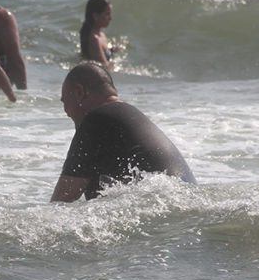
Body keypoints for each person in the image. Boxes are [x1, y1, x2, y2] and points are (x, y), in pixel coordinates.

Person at [51, 63, 196, 202]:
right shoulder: (129, 118)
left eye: (65, 102)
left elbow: (61, 202)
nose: (66, 112)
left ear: (79, 92)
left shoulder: (96, 120)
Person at [79, 0, 114, 71]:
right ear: (95, 16)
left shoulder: (101, 34)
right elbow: (105, 68)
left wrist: (112, 50)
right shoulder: (94, 39)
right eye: (107, 14)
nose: (110, 18)